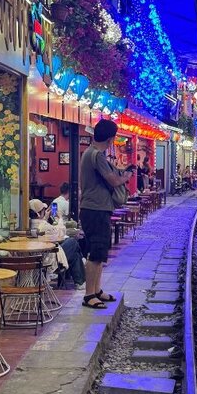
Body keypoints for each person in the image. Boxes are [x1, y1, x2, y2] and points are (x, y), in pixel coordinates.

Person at [79, 118, 134, 309]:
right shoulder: (97, 155)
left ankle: (97, 290)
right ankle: (89, 295)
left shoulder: (91, 153)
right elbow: (112, 180)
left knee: (100, 251)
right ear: (111, 139)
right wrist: (126, 176)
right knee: (95, 253)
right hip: (95, 209)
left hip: (96, 208)